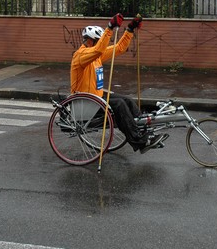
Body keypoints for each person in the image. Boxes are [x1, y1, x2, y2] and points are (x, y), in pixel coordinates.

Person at [70, 13, 166, 154]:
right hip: (86, 101)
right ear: (90, 41)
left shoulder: (96, 56)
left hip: (96, 96)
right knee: (119, 105)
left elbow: (119, 48)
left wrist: (130, 29)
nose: (101, 44)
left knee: (126, 100)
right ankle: (140, 142)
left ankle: (142, 129)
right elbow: (98, 50)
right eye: (98, 41)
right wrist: (110, 27)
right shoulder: (81, 56)